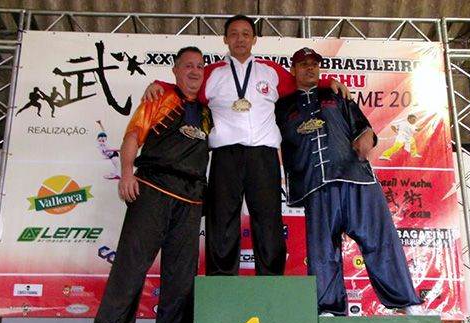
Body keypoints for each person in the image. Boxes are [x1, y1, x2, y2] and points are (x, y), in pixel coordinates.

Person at [145, 14, 350, 277]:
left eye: (245, 34)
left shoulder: (270, 70)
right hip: (225, 155)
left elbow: (302, 84)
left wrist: (328, 82)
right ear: (225, 39)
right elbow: (186, 89)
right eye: (233, 34)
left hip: (263, 155)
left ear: (254, 39)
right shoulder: (212, 73)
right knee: (222, 219)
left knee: (268, 219)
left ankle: (271, 279)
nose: (239, 39)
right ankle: (221, 279)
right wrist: (159, 85)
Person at [275, 47, 426, 316]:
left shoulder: (336, 95)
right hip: (316, 185)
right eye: (303, 64)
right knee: (322, 251)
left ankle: (406, 302)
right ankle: (329, 309)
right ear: (293, 70)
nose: (309, 68)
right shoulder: (282, 107)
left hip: (356, 179)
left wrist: (367, 137)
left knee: (380, 240)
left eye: (314, 64)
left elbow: (363, 128)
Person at [90, 47, 212, 323]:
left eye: (199, 66)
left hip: (191, 200)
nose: (194, 71)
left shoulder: (209, 111)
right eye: (188, 65)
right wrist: (126, 173)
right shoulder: (160, 97)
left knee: (182, 276)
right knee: (131, 264)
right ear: (175, 70)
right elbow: (133, 136)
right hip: (152, 189)